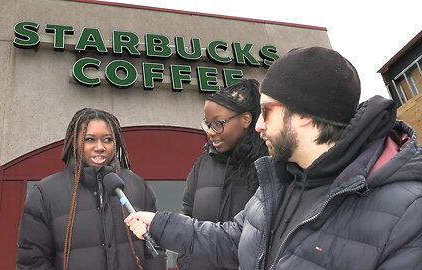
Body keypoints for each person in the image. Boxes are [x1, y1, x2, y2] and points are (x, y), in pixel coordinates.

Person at [125, 47, 422, 269]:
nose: (258, 125)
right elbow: (231, 240)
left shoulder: (408, 214)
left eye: (267, 111)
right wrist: (159, 224)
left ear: (304, 113)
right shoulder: (279, 183)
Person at [16, 108, 166, 270]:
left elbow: (155, 250)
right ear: (75, 142)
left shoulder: (137, 186)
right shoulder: (45, 193)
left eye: (107, 139)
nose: (100, 147)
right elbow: (32, 261)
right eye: (89, 139)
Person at [178, 79, 268, 270]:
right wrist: (186, 264)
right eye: (208, 124)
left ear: (246, 119)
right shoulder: (202, 165)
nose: (210, 132)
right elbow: (187, 216)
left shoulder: (268, 167)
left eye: (218, 124)